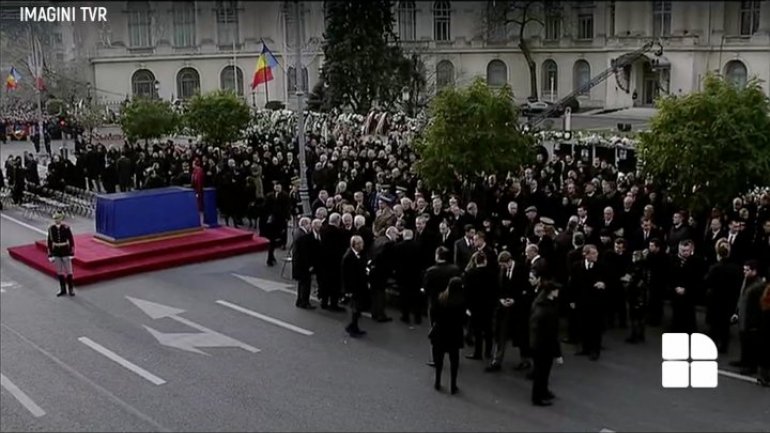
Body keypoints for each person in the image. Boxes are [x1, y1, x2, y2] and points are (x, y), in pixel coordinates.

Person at [422, 246, 462, 366]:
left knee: (436, 331)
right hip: (453, 305)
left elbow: (426, 288)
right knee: (453, 330)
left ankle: (436, 358)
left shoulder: (431, 271)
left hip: (436, 305)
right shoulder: (455, 269)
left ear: (437, 256)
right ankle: (454, 355)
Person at [529, 274, 563, 407]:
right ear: (551, 292)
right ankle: (537, 397)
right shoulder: (548, 310)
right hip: (543, 346)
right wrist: (558, 354)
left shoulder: (541, 304)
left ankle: (543, 391)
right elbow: (552, 334)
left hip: (538, 344)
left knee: (544, 371)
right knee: (541, 372)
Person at [570, 244, 608, 361]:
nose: (596, 255)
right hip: (582, 301)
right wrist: (571, 300)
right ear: (585, 255)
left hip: (596, 302)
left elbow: (609, 280)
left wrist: (604, 284)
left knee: (595, 327)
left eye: (596, 253)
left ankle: (595, 351)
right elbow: (572, 284)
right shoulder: (577, 266)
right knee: (583, 325)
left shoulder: (601, 266)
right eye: (593, 253)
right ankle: (585, 348)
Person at [429, 276, 465, 394]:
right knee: (454, 360)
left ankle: (437, 382)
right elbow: (463, 320)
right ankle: (453, 385)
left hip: (440, 332)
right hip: (454, 334)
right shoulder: (461, 302)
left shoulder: (441, 298)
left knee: (439, 360)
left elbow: (433, 314)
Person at [705, 243, 743, 353]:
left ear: (718, 255)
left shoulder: (715, 267)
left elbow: (708, 281)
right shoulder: (735, 268)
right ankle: (724, 347)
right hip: (729, 300)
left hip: (715, 299)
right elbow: (738, 284)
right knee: (725, 325)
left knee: (714, 324)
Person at [730, 261, 766, 376]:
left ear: (754, 271)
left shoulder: (759, 286)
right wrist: (737, 312)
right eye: (744, 269)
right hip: (744, 316)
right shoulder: (746, 281)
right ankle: (744, 361)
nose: (744, 272)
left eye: (747, 270)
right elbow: (741, 297)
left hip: (752, 318)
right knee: (744, 341)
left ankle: (751, 366)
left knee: (752, 343)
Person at [463, 251, 496, 360]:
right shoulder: (492, 273)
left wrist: (467, 306)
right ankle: (488, 351)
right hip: (488, 306)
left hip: (475, 306)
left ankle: (478, 352)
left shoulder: (470, 274)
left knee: (477, 331)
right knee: (488, 330)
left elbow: (467, 292)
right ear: (485, 261)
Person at [342, 235, 368, 337]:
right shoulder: (349, 256)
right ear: (354, 245)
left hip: (359, 286)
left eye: (362, 243)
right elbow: (346, 275)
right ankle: (353, 328)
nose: (362, 245)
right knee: (355, 309)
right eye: (359, 243)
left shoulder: (359, 255)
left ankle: (353, 326)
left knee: (357, 308)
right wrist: (347, 290)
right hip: (354, 287)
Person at [47, 211, 75, 297]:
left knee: (69, 271)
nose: (56, 220)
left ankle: (71, 289)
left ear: (61, 219)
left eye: (58, 218)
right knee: (60, 272)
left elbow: (71, 240)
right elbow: (49, 242)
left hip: (65, 250)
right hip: (56, 251)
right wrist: (50, 254)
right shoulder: (51, 229)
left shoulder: (66, 228)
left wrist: (72, 252)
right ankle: (62, 289)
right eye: (55, 218)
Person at [292, 217, 318, 309]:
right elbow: (304, 253)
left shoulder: (298, 232)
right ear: (305, 224)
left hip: (299, 263)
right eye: (309, 224)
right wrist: (309, 265)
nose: (310, 226)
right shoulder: (302, 235)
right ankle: (304, 302)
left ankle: (300, 300)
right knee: (305, 284)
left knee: (301, 283)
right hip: (303, 265)